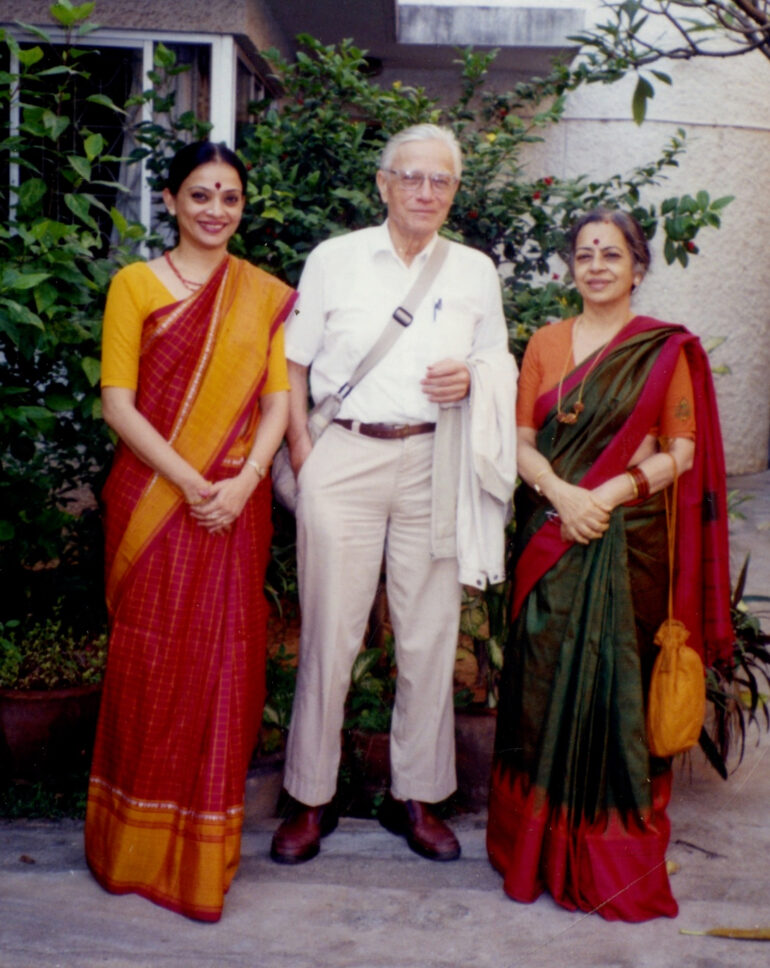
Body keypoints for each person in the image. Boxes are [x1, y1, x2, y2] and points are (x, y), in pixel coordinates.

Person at [271, 123, 517, 865]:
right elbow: (290, 365)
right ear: (382, 184)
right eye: (411, 177)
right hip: (342, 454)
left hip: (434, 458)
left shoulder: (474, 270)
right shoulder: (335, 260)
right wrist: (305, 454)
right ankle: (310, 798)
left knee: (429, 634)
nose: (426, 191)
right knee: (330, 634)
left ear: (454, 191)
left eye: (441, 180)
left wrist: (473, 379)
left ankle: (417, 797)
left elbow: (497, 357)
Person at [486, 207, 734, 922]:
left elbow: (680, 451)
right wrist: (565, 494)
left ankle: (611, 852)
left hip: (629, 541)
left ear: (637, 267)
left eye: (612, 254)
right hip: (551, 532)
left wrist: (611, 492)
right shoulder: (544, 341)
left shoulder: (665, 351)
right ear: (571, 267)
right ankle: (531, 845)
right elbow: (522, 440)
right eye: (585, 254)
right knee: (537, 683)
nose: (596, 265)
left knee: (616, 688)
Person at [85, 141, 296, 922]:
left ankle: (202, 858)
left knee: (221, 671)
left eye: (230, 198)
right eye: (200, 195)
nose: (215, 210)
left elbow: (277, 402)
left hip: (232, 507)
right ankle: (131, 848)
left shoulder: (264, 294)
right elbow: (117, 402)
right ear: (169, 200)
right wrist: (189, 479)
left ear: (243, 208)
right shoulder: (134, 285)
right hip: (154, 498)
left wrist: (242, 483)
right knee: (148, 663)